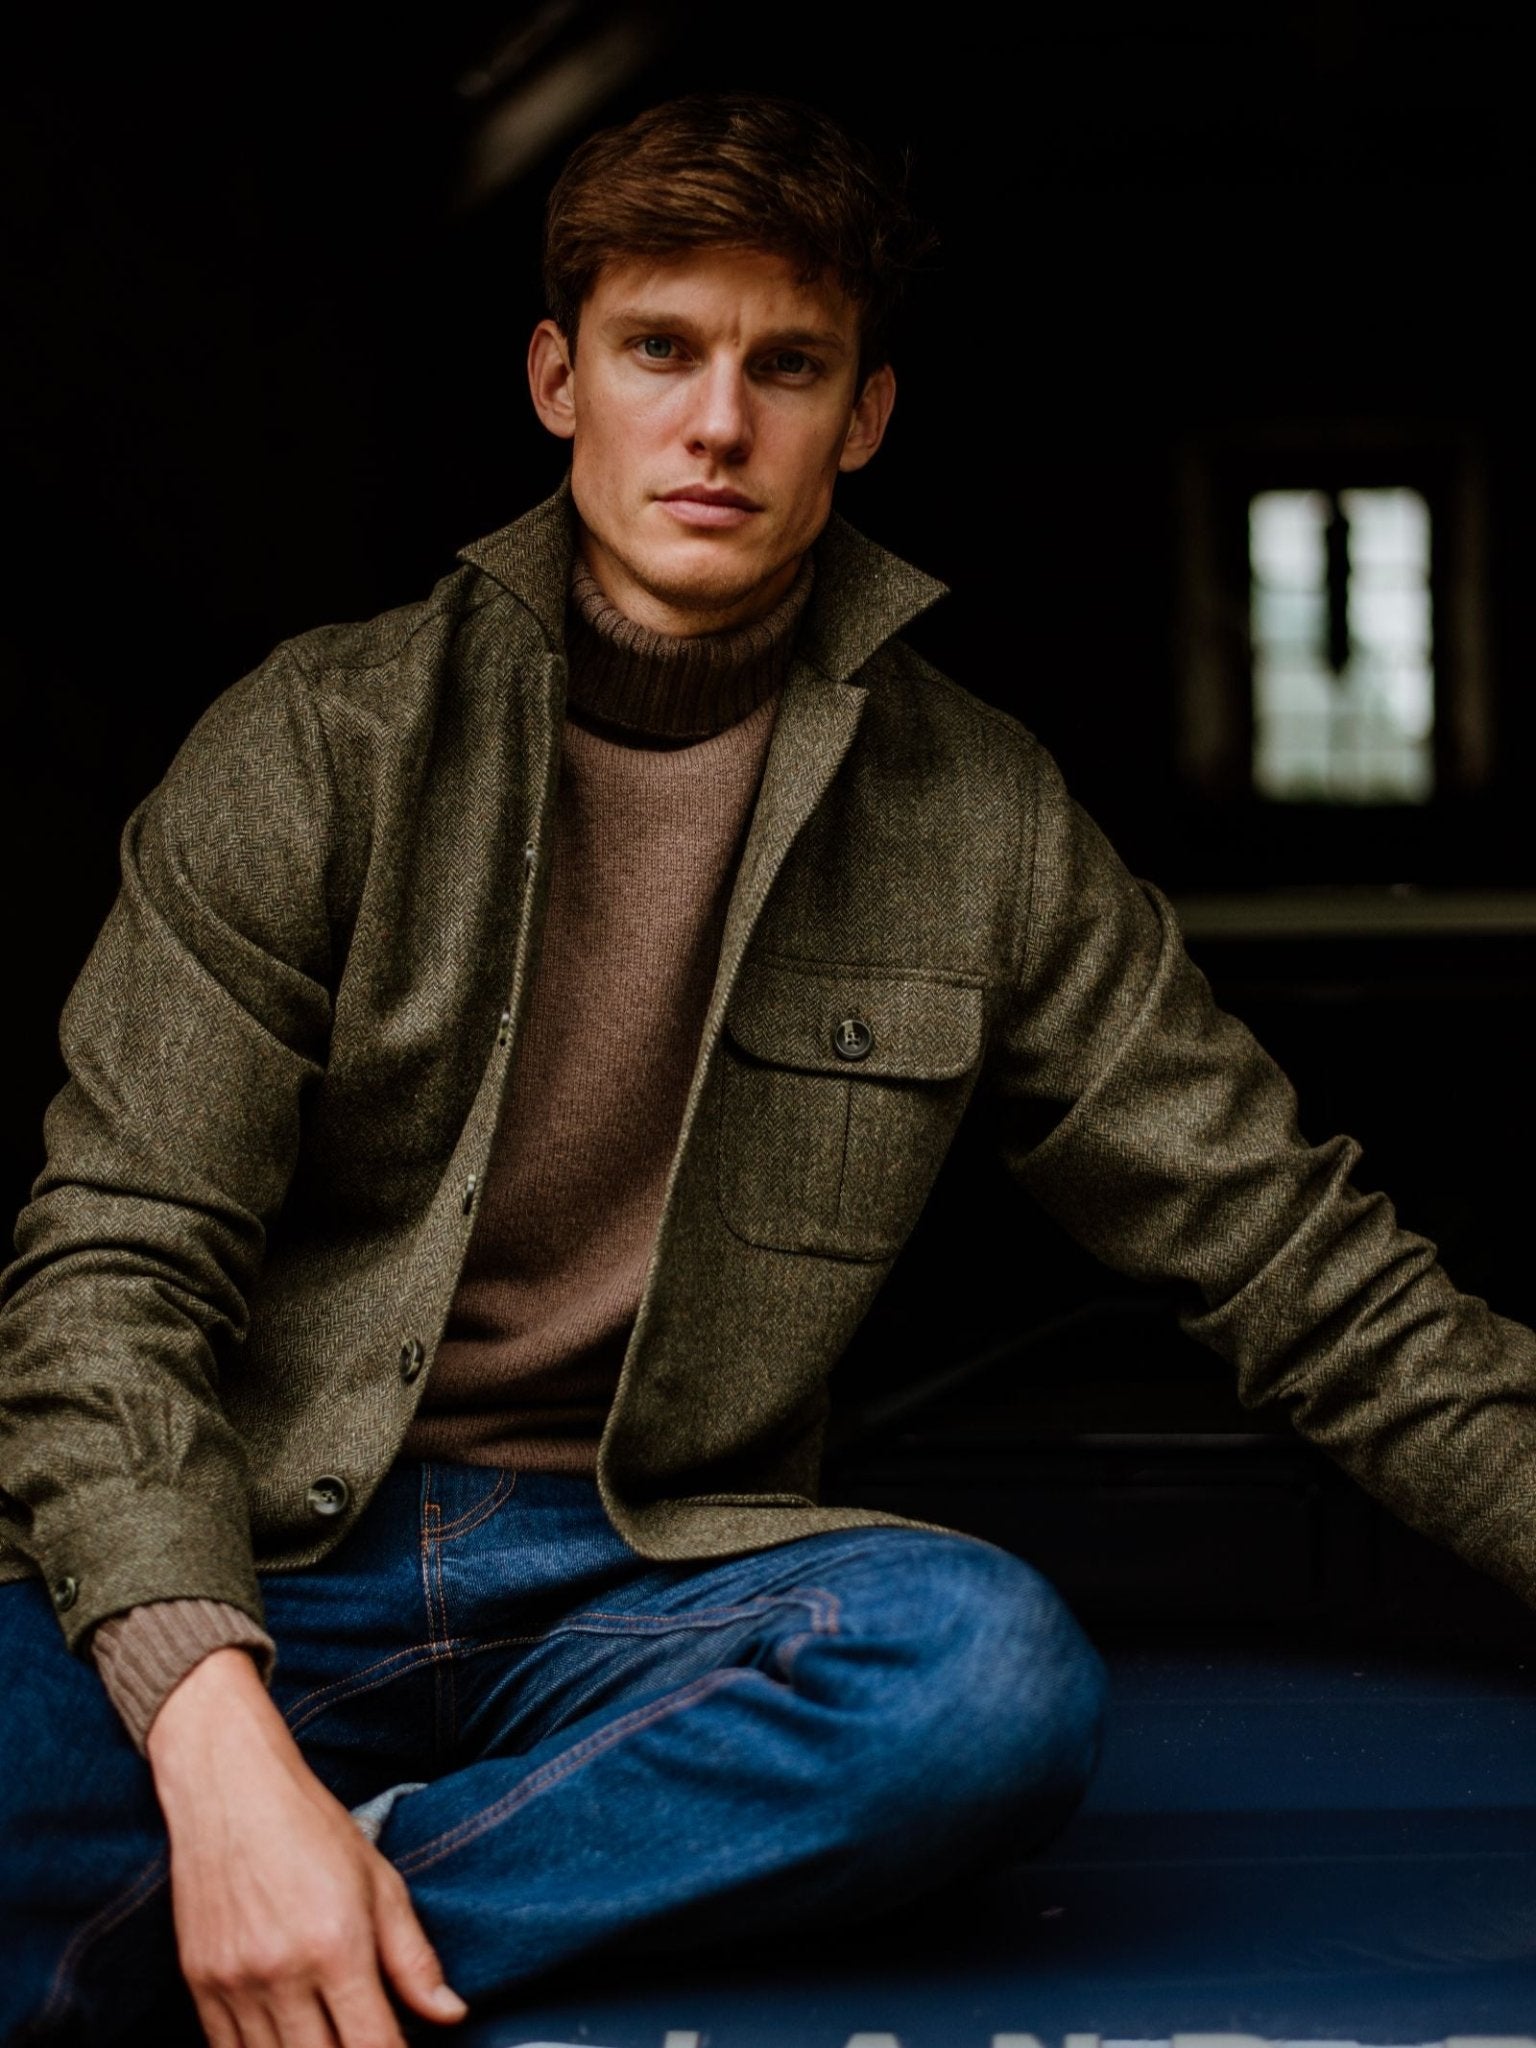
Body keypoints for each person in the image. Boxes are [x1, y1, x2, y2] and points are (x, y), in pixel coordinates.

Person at [3, 90, 1534, 2048]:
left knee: (976, 1679)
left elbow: (1298, 1265)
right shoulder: (320, 741)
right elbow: (108, 1278)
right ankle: (263, 1868)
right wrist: (218, 1748)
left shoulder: (975, 817)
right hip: (259, 1545)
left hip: (654, 1589)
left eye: (784, 365)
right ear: (559, 378)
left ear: (864, 415)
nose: (718, 421)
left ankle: (234, 1942)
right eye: (662, 350)